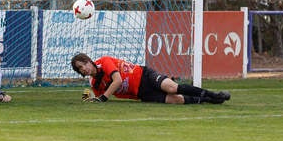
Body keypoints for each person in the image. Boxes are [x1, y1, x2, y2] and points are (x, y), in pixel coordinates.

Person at [70, 53, 231, 104]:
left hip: (145, 76)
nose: (83, 68)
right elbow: (93, 96)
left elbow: (117, 81)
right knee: (177, 100)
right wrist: (89, 98)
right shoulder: (93, 82)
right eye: (80, 68)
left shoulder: (104, 61)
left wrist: (103, 98)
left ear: (89, 60)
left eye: (83, 63)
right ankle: (209, 100)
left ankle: (214, 94)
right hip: (141, 94)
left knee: (172, 87)